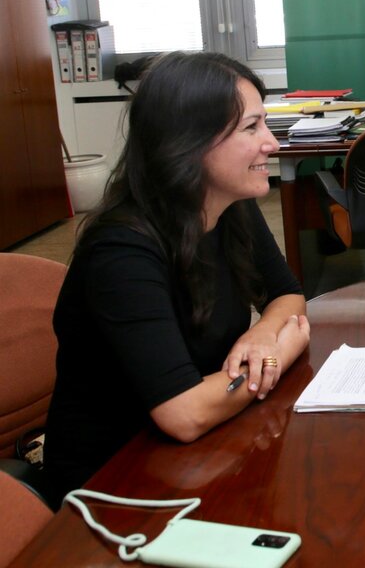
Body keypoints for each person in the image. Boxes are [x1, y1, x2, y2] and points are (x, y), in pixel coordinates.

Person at [45, 51, 310, 502]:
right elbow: (184, 413)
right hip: (114, 483)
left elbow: (287, 296)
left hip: (199, 455)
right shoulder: (121, 253)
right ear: (189, 143)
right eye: (251, 127)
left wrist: (264, 334)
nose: (272, 143)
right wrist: (279, 354)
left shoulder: (231, 206)